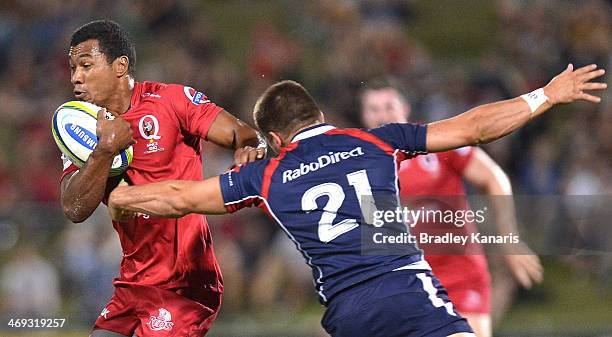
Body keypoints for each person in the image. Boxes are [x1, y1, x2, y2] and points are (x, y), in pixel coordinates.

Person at [108, 64, 606, 337]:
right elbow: (474, 127)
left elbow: (179, 197)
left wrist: (126, 195)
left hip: (349, 314)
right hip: (407, 290)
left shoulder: (268, 173)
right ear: (321, 114)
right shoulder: (376, 141)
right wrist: (547, 94)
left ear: (276, 138)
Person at [60, 20, 265, 337]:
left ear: (120, 66)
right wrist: (104, 151)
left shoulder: (170, 100)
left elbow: (242, 133)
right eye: (73, 68)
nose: (76, 77)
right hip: (132, 284)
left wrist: (250, 148)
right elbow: (74, 209)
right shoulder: (81, 129)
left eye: (86, 65)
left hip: (184, 283)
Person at [359, 78, 543, 337]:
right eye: (373, 109)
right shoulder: (356, 163)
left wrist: (508, 239)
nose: (382, 116)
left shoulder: (434, 141)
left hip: (459, 274)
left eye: (389, 106)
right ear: (363, 115)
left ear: (405, 107)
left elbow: (493, 177)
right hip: (403, 284)